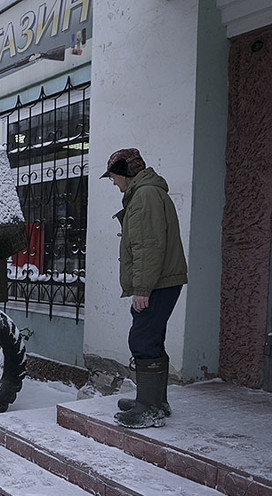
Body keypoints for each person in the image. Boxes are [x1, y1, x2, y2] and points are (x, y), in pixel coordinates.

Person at [101, 148, 188, 428]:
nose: (114, 183)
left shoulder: (145, 196)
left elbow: (148, 246)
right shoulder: (147, 193)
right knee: (152, 338)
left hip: (157, 282)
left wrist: (142, 288)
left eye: (115, 177)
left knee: (142, 340)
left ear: (127, 174)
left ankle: (148, 408)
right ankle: (155, 402)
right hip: (163, 281)